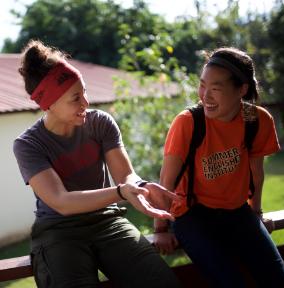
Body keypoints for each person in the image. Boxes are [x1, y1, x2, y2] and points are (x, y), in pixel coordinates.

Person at [13, 39, 182, 288]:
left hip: (107, 222)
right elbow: (62, 202)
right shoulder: (28, 145)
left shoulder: (100, 123)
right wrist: (120, 192)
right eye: (75, 98)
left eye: (84, 93)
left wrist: (141, 186)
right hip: (58, 232)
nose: (86, 103)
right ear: (49, 103)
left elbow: (127, 176)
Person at [153, 47, 284, 287]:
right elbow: (167, 180)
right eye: (202, 85)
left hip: (236, 211)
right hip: (191, 214)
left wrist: (256, 212)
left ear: (242, 89)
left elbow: (256, 172)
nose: (205, 95)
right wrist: (161, 227)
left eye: (215, 88)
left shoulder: (255, 120)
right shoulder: (189, 122)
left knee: (278, 279)